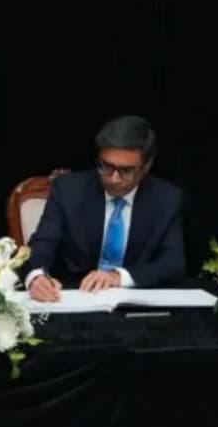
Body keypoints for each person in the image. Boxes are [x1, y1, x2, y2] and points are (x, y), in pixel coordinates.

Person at [23, 115, 186, 301]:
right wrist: (36, 277)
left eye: (126, 171)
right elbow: (42, 244)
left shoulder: (166, 199)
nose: (114, 179)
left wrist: (118, 277)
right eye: (106, 167)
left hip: (132, 302)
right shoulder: (68, 190)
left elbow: (173, 264)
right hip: (73, 297)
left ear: (146, 166)